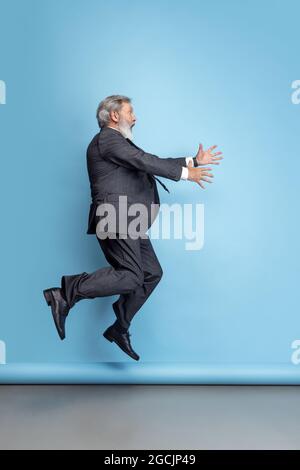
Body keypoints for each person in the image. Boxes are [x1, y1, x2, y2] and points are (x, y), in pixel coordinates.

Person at [43, 95, 223, 361]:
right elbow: (143, 161)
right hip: (115, 215)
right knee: (130, 276)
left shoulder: (118, 144)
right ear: (114, 115)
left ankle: (120, 327)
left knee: (151, 273)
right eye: (131, 112)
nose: (135, 117)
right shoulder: (107, 139)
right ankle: (65, 292)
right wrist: (186, 174)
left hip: (130, 219)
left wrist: (192, 162)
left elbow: (147, 159)